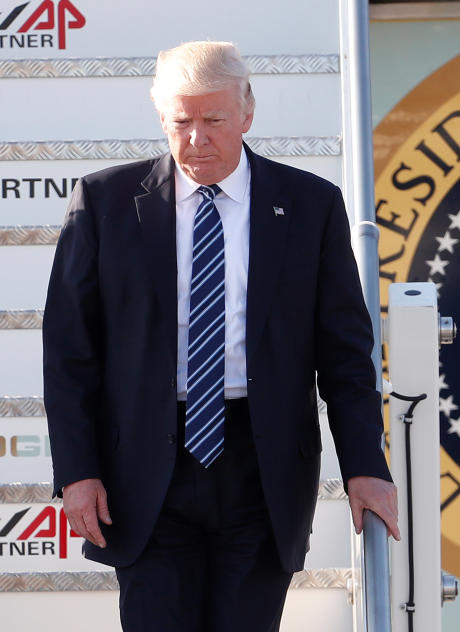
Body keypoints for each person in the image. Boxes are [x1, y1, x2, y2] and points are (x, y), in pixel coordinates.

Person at [42, 40, 399, 631]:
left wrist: (365, 464)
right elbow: (69, 351)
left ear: (247, 115)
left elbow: (345, 356)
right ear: (162, 118)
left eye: (214, 120)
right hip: (145, 471)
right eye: (182, 121)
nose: (197, 137)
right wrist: (78, 473)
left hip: (261, 468)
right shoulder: (103, 203)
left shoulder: (310, 206)